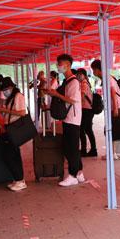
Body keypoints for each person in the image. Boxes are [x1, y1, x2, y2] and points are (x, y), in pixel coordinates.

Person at [47, 54, 84, 187]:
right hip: (68, 118)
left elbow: (72, 100)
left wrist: (56, 94)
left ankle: (73, 175)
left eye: (60, 64)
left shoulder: (73, 82)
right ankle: (79, 172)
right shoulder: (67, 81)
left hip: (73, 119)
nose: (58, 66)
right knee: (70, 147)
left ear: (68, 65)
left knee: (71, 148)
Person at [90, 60, 120, 160]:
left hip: (119, 107)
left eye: (93, 70)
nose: (93, 72)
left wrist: (115, 108)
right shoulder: (106, 78)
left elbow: (113, 93)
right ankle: (112, 153)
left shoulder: (107, 78)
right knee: (112, 129)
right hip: (116, 107)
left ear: (98, 69)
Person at [0, 77, 28, 191]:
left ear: (11, 87)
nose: (5, 91)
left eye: (6, 89)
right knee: (13, 154)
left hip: (15, 129)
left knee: (9, 155)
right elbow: (8, 114)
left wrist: (6, 111)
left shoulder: (18, 96)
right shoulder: (10, 98)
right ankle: (18, 179)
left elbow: (22, 113)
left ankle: (20, 180)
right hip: (9, 128)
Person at [76, 68, 97, 157]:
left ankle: (84, 150)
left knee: (82, 130)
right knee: (88, 130)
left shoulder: (84, 83)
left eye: (80, 74)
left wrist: (75, 101)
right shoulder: (84, 83)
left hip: (86, 110)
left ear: (84, 75)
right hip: (88, 110)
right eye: (77, 74)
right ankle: (93, 150)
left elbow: (82, 95)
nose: (78, 76)